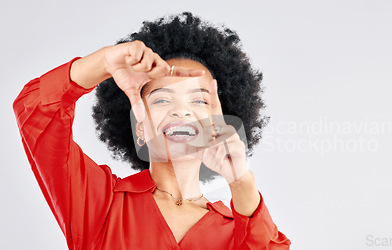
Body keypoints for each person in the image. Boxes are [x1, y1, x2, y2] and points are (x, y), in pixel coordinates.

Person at [13, 12, 291, 250]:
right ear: (140, 128)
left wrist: (241, 183)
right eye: (161, 99)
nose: (181, 112)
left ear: (216, 126)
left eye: (198, 100)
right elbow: (35, 109)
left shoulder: (239, 231)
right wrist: (104, 62)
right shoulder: (100, 204)